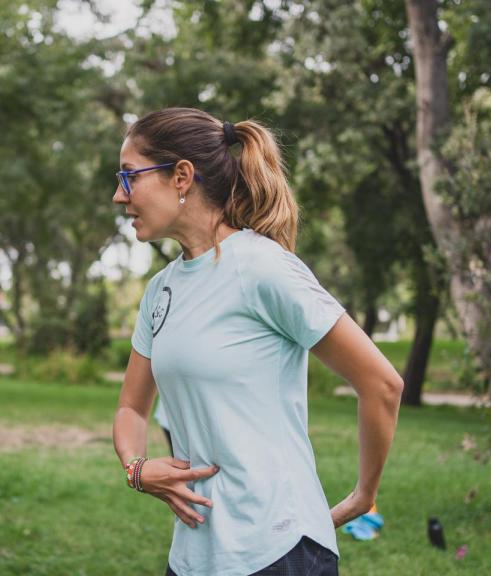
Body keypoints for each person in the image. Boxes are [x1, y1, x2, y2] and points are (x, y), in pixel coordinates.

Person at [111, 108, 404, 576]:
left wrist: (364, 495)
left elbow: (382, 384)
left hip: (278, 550)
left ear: (181, 176)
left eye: (129, 176)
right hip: (193, 558)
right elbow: (130, 408)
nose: (118, 194)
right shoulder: (159, 291)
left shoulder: (262, 267)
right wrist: (137, 468)